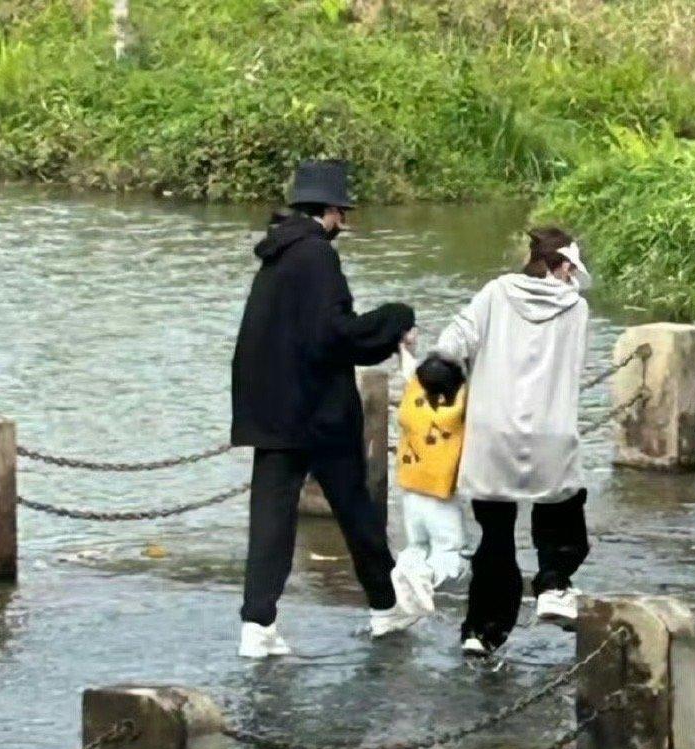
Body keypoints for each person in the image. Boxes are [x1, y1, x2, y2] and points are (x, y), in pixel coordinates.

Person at [231, 160, 420, 658]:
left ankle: (257, 624)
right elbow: (337, 335)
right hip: (317, 413)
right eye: (343, 213)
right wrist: (396, 317)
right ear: (334, 210)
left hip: (270, 411)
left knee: (269, 521)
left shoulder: (276, 255)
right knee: (357, 512)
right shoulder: (316, 257)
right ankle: (385, 607)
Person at [433, 226, 592, 657]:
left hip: (492, 438)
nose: (573, 280)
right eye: (571, 271)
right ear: (560, 267)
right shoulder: (576, 309)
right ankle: (553, 585)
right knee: (563, 522)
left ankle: (481, 632)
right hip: (550, 436)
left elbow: (451, 344)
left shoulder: (494, 294)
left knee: (495, 537)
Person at [391, 346, 470, 616]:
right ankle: (427, 584)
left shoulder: (412, 399)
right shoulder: (457, 412)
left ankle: (404, 578)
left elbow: (410, 370)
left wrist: (404, 347)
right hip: (440, 496)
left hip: (410, 490)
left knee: (416, 545)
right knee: (448, 549)